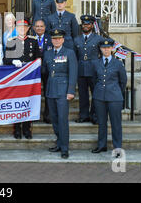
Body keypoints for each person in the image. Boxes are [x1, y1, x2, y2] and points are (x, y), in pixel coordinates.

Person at [42, 29, 77, 159]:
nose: (56, 41)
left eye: (59, 38)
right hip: (51, 90)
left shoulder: (69, 53)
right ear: (51, 40)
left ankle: (65, 148)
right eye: (54, 39)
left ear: (62, 40)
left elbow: (73, 73)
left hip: (63, 91)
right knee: (55, 120)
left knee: (63, 120)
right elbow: (44, 71)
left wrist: (71, 91)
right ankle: (59, 142)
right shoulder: (47, 54)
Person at [4, 18, 41, 139]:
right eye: (20, 27)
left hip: (30, 78)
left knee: (28, 102)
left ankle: (27, 128)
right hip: (16, 79)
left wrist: (38, 61)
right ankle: (17, 129)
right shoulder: (11, 41)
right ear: (16, 28)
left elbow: (38, 58)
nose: (22, 29)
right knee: (17, 103)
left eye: (24, 27)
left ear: (28, 28)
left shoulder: (33, 41)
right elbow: (6, 60)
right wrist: (13, 60)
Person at [91, 39, 127, 158]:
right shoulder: (96, 63)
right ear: (100, 49)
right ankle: (102, 145)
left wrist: (116, 92)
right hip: (99, 96)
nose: (106, 50)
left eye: (108, 48)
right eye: (103, 48)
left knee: (116, 123)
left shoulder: (118, 64)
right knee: (101, 123)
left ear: (112, 49)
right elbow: (94, 79)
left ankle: (117, 148)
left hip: (115, 97)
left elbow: (123, 81)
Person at [74, 15, 103, 124]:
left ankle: (94, 115)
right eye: (84, 24)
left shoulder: (99, 39)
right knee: (83, 94)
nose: (86, 26)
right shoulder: (76, 39)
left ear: (92, 25)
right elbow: (75, 56)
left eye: (88, 24)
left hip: (94, 70)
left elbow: (102, 54)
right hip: (81, 70)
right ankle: (84, 115)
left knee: (95, 94)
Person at [33, 19, 53, 124]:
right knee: (33, 93)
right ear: (34, 28)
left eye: (41, 26)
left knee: (48, 93)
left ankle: (48, 115)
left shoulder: (50, 39)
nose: (39, 28)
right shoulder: (31, 39)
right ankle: (33, 116)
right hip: (33, 71)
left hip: (47, 70)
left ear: (45, 27)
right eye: (37, 26)